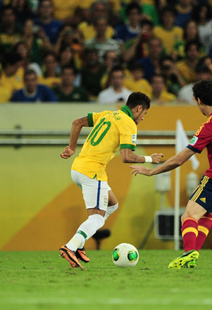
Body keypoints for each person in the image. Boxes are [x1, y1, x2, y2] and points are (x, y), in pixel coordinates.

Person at [131, 80, 212, 268]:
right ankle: (193, 255)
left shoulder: (209, 126)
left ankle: (189, 253)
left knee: (188, 216)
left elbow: (180, 159)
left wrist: (151, 171)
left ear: (198, 100)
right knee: (205, 214)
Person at [58, 92, 162, 268]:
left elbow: (77, 122)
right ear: (138, 108)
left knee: (112, 204)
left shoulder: (109, 114)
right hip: (93, 171)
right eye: (144, 113)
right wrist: (150, 159)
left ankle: (80, 244)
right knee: (97, 219)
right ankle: (70, 247)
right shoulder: (129, 124)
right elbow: (126, 156)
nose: (143, 118)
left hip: (77, 168)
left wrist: (72, 148)